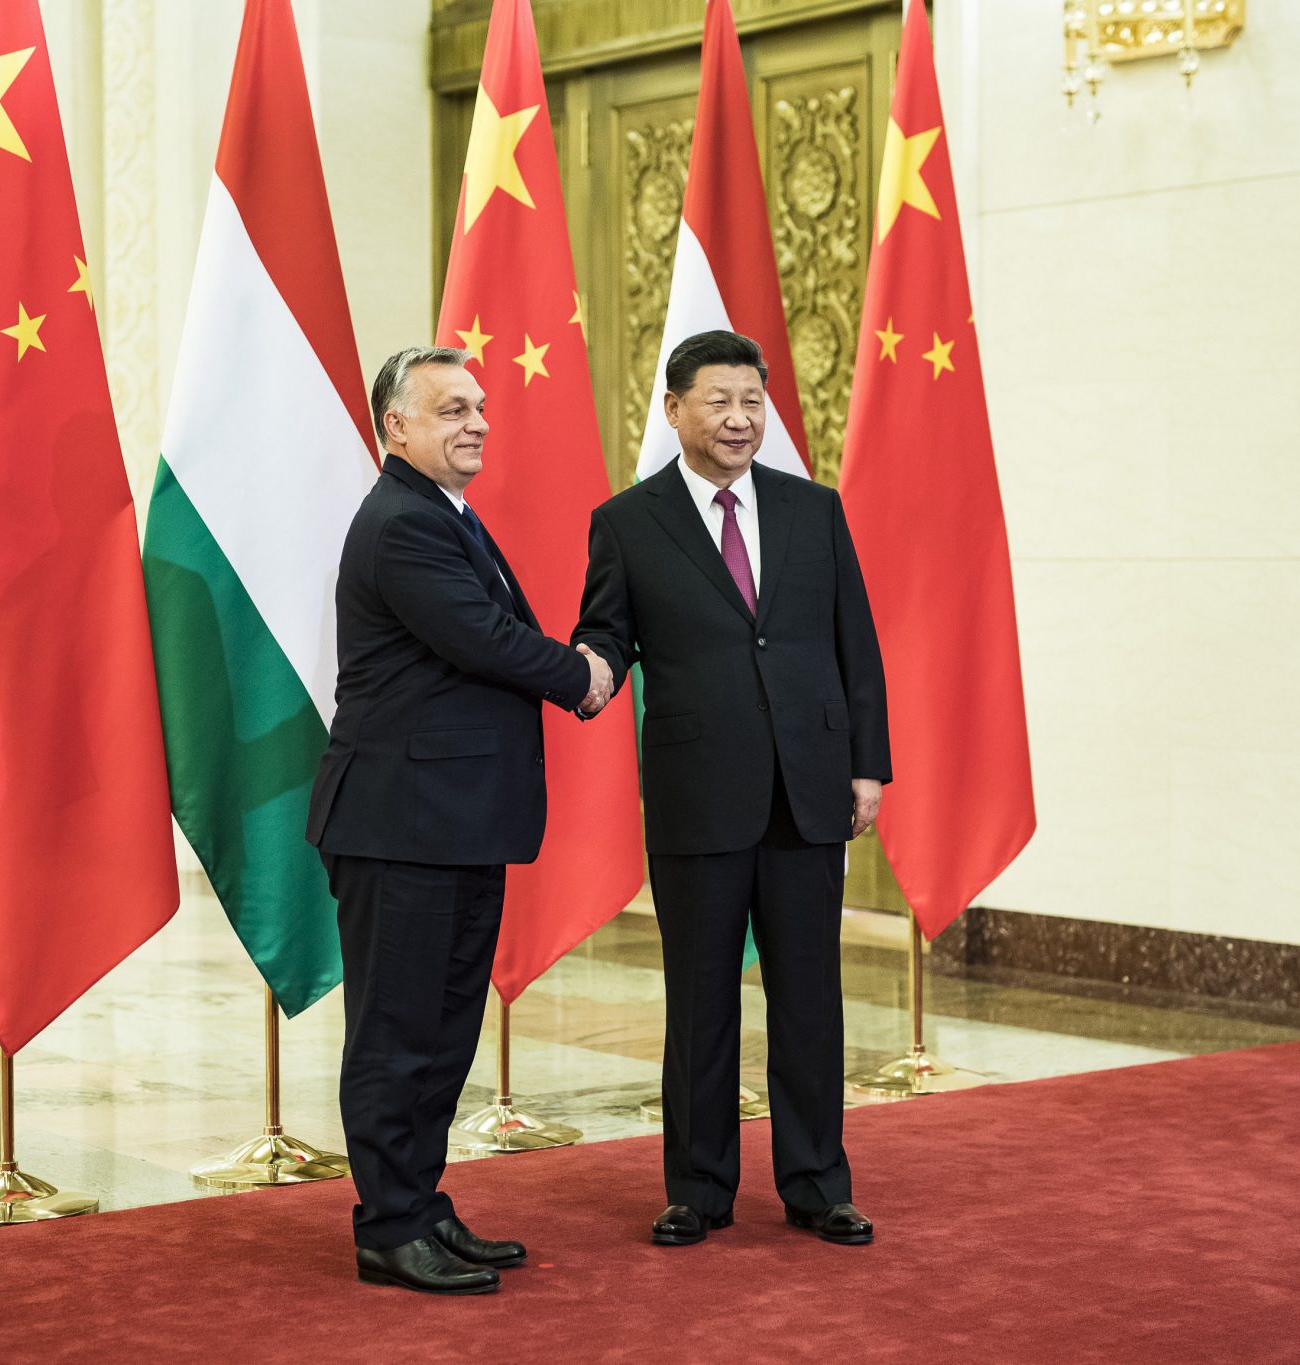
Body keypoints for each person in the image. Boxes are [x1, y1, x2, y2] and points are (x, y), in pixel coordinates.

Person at [306, 346, 614, 1294]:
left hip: (451, 821)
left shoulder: (442, 512)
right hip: (401, 824)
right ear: (396, 426)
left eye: (479, 406)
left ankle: (420, 1203)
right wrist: (583, 674)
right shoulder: (403, 521)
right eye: (451, 409)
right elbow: (481, 638)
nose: (476, 422)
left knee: (442, 1032)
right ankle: (388, 1226)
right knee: (398, 1034)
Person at [573, 329, 890, 1247]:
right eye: (719, 401)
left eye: (753, 401)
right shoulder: (627, 522)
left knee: (809, 997)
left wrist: (867, 764)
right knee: (700, 999)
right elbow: (606, 633)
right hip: (697, 791)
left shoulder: (813, 510)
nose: (740, 418)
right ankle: (698, 1188)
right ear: (675, 409)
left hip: (807, 787)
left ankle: (817, 1183)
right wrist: (581, 673)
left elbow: (856, 645)